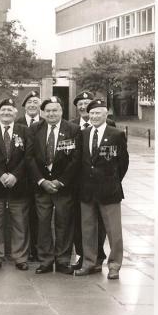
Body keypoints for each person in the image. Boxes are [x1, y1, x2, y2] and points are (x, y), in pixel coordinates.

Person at [26, 96, 80, 275]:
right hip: (42, 186)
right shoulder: (34, 129)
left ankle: (63, 260)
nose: (51, 113)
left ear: (61, 111)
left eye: (55, 110)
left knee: (64, 223)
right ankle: (46, 260)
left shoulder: (73, 129)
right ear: (43, 112)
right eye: (48, 110)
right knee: (43, 224)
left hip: (63, 187)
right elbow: (30, 157)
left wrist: (60, 181)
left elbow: (75, 160)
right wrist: (42, 181)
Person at [76, 99, 129, 280]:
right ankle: (89, 263)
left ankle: (114, 265)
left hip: (109, 191)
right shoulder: (82, 134)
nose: (94, 116)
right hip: (87, 191)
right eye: (91, 114)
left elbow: (123, 163)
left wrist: (112, 181)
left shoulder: (116, 134)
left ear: (106, 114)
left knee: (114, 231)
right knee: (88, 229)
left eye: (98, 113)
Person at [0, 97, 31, 271]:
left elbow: (29, 157)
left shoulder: (24, 131)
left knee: (20, 222)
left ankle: (20, 257)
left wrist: (15, 175)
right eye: (3, 110)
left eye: (10, 110)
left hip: (19, 185)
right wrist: (1, 175)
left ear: (16, 113)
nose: (6, 113)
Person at [69, 90, 114, 268]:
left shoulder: (109, 124)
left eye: (86, 104)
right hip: (78, 183)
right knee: (80, 222)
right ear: (77, 107)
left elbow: (119, 159)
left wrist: (110, 180)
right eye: (80, 104)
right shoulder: (71, 126)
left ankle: (99, 256)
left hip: (102, 185)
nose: (83, 107)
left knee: (101, 222)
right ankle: (82, 255)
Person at [15, 90, 43, 262]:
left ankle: (38, 249)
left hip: (41, 177)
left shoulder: (46, 122)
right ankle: (27, 249)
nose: (32, 105)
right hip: (23, 178)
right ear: (24, 106)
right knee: (25, 216)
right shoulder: (17, 123)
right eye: (29, 103)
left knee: (39, 216)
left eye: (35, 102)